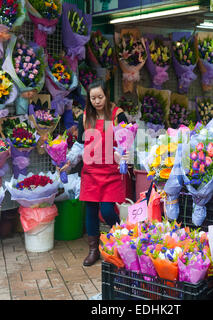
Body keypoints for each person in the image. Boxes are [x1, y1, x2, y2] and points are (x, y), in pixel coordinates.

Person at [59, 79, 129, 266]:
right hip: (90, 171)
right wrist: (68, 162)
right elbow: (80, 145)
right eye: (93, 98)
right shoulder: (85, 117)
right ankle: (93, 250)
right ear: (89, 99)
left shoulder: (117, 115)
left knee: (107, 210)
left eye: (100, 97)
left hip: (111, 172)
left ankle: (122, 239)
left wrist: (122, 155)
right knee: (90, 210)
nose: (97, 101)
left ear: (107, 95)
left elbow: (126, 141)